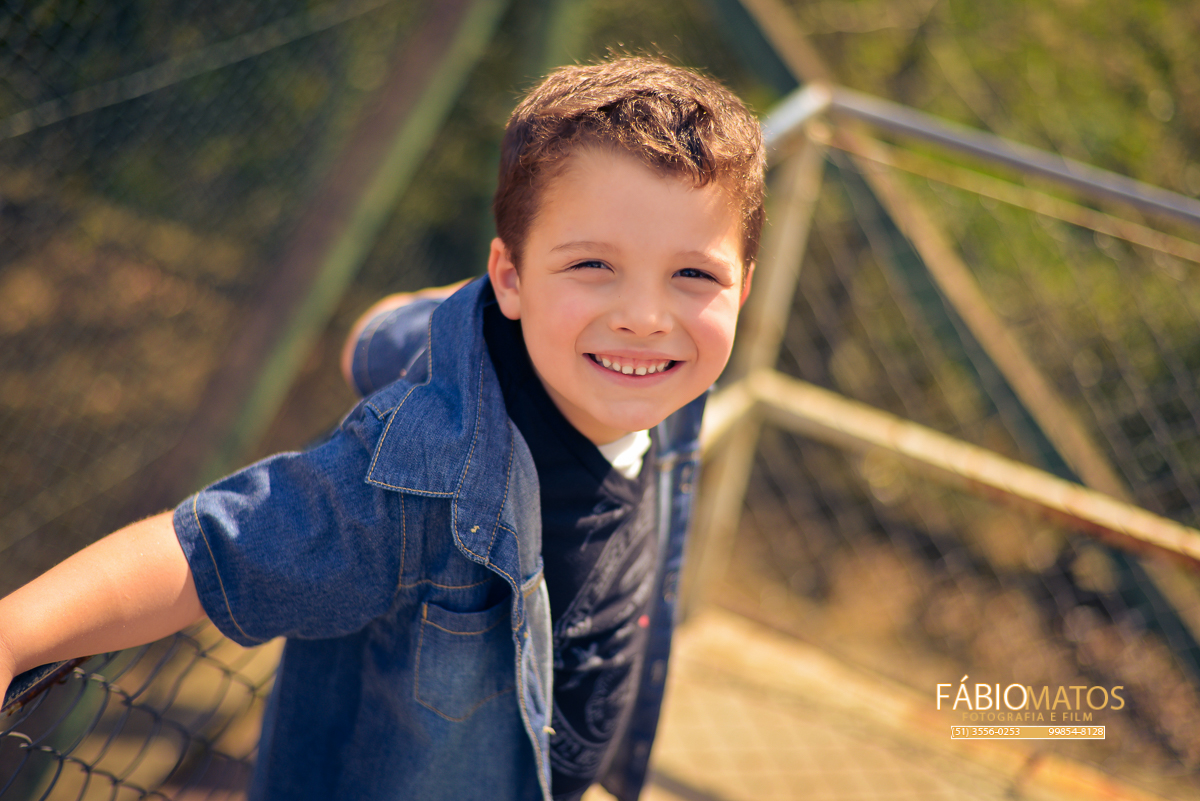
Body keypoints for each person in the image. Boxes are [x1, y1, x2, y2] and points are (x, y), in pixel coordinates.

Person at [0, 56, 765, 801]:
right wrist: (17, 632)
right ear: (510, 279)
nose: (644, 316)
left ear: (743, 287)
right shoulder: (414, 482)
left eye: (693, 274)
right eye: (593, 264)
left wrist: (380, 331)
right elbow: (210, 549)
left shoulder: (669, 375)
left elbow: (394, 334)